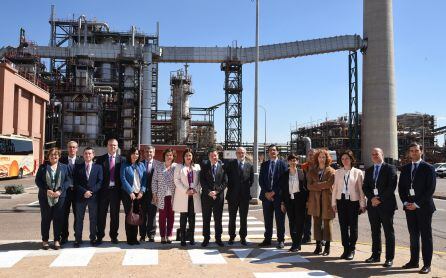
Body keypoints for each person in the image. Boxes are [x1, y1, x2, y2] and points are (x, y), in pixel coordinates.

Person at [398, 142, 436, 274]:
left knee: (426, 236)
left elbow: (430, 190)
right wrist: (405, 203)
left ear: (421, 152)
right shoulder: (405, 168)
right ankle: (413, 261)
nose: (413, 153)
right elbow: (401, 188)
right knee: (413, 236)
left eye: (416, 150)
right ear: (409, 153)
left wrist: (416, 204)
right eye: (411, 151)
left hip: (424, 207)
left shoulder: (429, 168)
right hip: (409, 207)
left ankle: (427, 264)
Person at [362, 148, 397, 267]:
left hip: (386, 205)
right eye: (372, 154)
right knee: (375, 231)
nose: (374, 156)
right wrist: (372, 198)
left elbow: (391, 187)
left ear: (382, 154)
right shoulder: (369, 170)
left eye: (377, 154)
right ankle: (375, 255)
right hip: (372, 205)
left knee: (388, 232)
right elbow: (365, 187)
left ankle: (389, 258)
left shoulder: (390, 168)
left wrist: (379, 199)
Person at [332, 150, 366, 259]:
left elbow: (361, 190)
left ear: (351, 159)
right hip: (341, 201)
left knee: (353, 226)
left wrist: (362, 204)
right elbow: (335, 188)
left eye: (347, 158)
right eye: (342, 159)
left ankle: (352, 249)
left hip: (353, 201)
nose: (345, 161)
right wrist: (333, 203)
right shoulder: (337, 172)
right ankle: (345, 248)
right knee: (343, 226)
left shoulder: (358, 172)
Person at [35, 148, 71, 250]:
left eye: (56, 155)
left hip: (60, 197)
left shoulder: (64, 167)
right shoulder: (43, 167)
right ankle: (45, 240)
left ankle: (56, 240)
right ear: (48, 156)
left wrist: (60, 191)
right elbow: (38, 181)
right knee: (46, 219)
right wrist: (47, 190)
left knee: (58, 219)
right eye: (51, 155)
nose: (53, 156)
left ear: (59, 156)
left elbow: (68, 180)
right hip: (45, 196)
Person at [259, 144, 288, 249]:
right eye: (271, 150)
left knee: (280, 220)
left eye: (274, 150)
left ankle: (280, 240)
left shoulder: (283, 164)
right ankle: (267, 239)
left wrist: (274, 192)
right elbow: (261, 180)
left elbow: (284, 181)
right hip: (266, 197)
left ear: (278, 152)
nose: (272, 152)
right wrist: (266, 192)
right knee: (267, 219)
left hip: (278, 197)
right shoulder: (264, 165)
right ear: (268, 152)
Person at [73, 147, 103, 247]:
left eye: (90, 153)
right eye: (86, 153)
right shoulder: (77, 167)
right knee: (79, 219)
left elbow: (100, 182)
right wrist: (84, 191)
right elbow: (75, 182)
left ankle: (93, 238)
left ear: (93, 155)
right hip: (80, 197)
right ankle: (78, 239)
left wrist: (91, 192)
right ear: (83, 155)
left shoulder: (98, 167)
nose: (88, 155)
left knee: (93, 219)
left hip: (93, 197)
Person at [307, 149, 335, 256]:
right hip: (315, 200)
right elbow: (309, 186)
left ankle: (327, 247)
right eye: (319, 157)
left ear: (327, 158)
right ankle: (318, 245)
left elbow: (329, 184)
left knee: (328, 223)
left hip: (327, 200)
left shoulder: (331, 171)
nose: (321, 159)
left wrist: (317, 185)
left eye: (323, 157)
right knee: (317, 223)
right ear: (316, 158)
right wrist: (321, 186)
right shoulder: (312, 171)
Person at [96, 138, 124, 244]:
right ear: (107, 146)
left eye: (115, 145)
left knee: (115, 215)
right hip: (103, 191)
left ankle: (113, 236)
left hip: (115, 192)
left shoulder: (122, 160)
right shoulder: (100, 160)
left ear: (117, 147)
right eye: (111, 145)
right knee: (101, 214)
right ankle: (99, 236)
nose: (113, 147)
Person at [225, 146, 254, 246]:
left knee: (243, 218)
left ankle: (243, 237)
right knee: (232, 218)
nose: (241, 154)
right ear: (236, 154)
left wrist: (243, 189)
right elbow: (226, 178)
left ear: (245, 154)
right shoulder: (230, 164)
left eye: (242, 153)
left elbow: (251, 181)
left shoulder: (249, 165)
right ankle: (231, 237)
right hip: (232, 196)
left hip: (244, 197)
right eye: (239, 153)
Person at [279, 154, 308, 252]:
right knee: (292, 222)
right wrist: (282, 203)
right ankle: (295, 243)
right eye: (291, 160)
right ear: (288, 162)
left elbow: (306, 188)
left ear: (297, 162)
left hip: (300, 200)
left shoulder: (302, 173)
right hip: (289, 201)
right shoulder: (284, 174)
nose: (293, 162)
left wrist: (307, 201)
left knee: (300, 223)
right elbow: (282, 190)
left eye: (295, 160)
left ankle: (297, 244)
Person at [173, 148, 202, 246]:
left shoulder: (197, 167)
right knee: (183, 218)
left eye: (190, 155)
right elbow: (176, 180)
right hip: (183, 195)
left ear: (192, 156)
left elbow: (200, 181)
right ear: (183, 157)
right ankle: (183, 239)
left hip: (194, 195)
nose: (188, 157)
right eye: (186, 155)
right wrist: (186, 190)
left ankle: (192, 238)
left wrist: (195, 189)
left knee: (192, 218)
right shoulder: (179, 167)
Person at [200, 148, 228, 247]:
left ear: (218, 156)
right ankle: (206, 238)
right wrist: (209, 192)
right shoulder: (204, 167)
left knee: (218, 219)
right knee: (206, 218)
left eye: (215, 155)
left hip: (218, 197)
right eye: (211, 156)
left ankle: (218, 238)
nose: (214, 157)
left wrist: (216, 192)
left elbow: (225, 182)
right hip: (206, 197)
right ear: (209, 157)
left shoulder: (223, 167)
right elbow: (202, 181)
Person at [120, 147, 147, 245]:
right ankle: (129, 238)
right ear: (129, 154)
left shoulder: (141, 165)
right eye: (133, 153)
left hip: (138, 194)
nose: (135, 155)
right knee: (129, 215)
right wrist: (130, 191)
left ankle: (135, 238)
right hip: (128, 194)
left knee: (136, 216)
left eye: (137, 154)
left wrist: (142, 191)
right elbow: (123, 179)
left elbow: (144, 180)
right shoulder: (125, 165)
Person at [59, 141, 83, 244]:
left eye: (74, 147)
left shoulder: (82, 161)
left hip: (77, 192)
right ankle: (64, 236)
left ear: (77, 149)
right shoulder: (61, 160)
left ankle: (77, 237)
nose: (72, 149)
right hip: (65, 191)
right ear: (67, 148)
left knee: (78, 216)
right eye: (70, 147)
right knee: (64, 215)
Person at [152, 148, 177, 244]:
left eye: (171, 155)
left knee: (171, 216)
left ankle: (169, 235)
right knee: (162, 217)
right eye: (167, 155)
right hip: (161, 195)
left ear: (173, 156)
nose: (169, 157)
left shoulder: (176, 167)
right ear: (164, 156)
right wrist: (154, 194)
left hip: (172, 196)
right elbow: (154, 181)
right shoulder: (159, 167)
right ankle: (162, 236)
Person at [139, 145, 159, 242]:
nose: (148, 153)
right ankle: (142, 235)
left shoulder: (159, 165)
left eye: (150, 152)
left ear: (154, 153)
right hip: (141, 194)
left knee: (152, 215)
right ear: (143, 153)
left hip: (154, 194)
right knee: (142, 215)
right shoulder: (139, 164)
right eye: (146, 151)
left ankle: (151, 235)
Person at [300, 148, 315, 243]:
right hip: (306, 195)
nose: (311, 156)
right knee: (306, 218)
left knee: (319, 218)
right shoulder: (303, 167)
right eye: (309, 154)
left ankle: (320, 238)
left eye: (312, 154)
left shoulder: (320, 166)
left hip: (317, 194)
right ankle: (306, 236)